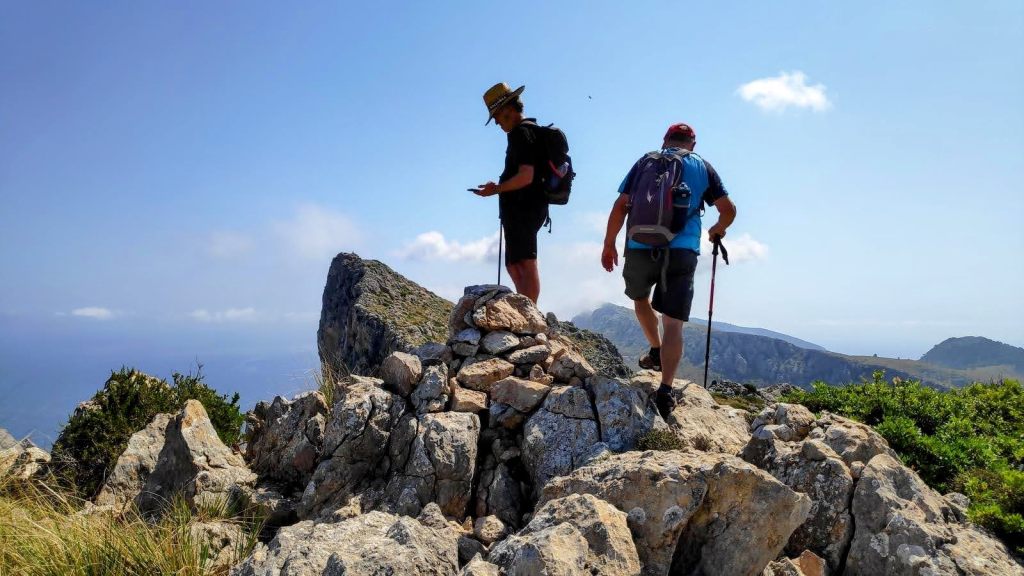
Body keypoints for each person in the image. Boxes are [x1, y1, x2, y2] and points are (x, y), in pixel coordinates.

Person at [601, 122, 737, 418]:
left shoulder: (645, 161)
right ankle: (665, 391)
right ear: (693, 144)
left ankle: (654, 349)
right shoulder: (703, 167)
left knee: (640, 300)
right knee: (673, 323)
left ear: (665, 140)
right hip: (682, 250)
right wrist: (717, 229)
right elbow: (729, 209)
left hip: (640, 245)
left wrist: (609, 244)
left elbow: (621, 204)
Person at [472, 83, 548, 304]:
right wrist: (498, 187)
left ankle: (529, 314)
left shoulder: (521, 134)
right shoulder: (527, 132)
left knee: (524, 262)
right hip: (525, 207)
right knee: (514, 264)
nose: (496, 121)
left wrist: (496, 189)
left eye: (497, 116)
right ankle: (526, 308)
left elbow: (526, 176)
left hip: (524, 207)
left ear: (509, 109)